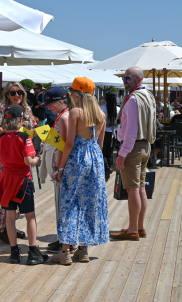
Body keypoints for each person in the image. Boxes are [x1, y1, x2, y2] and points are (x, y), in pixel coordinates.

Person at [51, 77, 108, 264]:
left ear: (77, 94)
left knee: (70, 202)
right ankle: (83, 251)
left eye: (72, 92)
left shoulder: (76, 112)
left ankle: (65, 252)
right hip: (95, 159)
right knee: (89, 204)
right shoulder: (100, 114)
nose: (71, 95)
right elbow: (100, 144)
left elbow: (69, 143)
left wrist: (60, 168)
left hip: (77, 158)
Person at [0, 104, 47, 265]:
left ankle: (14, 253)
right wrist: (38, 159)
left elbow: (0, 157)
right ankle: (32, 252)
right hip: (22, 180)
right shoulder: (25, 138)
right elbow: (28, 161)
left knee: (10, 217)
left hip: (6, 179)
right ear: (20, 120)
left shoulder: (1, 138)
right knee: (30, 216)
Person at [111, 67, 156, 240]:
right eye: (123, 78)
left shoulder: (132, 100)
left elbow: (130, 131)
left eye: (127, 78)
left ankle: (132, 230)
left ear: (138, 80)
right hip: (145, 145)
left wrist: (122, 153)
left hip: (133, 147)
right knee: (141, 187)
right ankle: (140, 227)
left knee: (133, 190)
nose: (124, 81)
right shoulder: (149, 95)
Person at [0, 81, 38, 242]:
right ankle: (4, 226)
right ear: (7, 94)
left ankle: (5, 226)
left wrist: (26, 135)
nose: (17, 95)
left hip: (24, 154)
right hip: (9, 155)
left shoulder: (27, 109)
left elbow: (32, 129)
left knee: (20, 192)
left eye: (19, 92)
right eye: (13, 93)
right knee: (9, 193)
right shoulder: (1, 109)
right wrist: (12, 134)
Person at [36, 88, 74, 254]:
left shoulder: (65, 117)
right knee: (59, 204)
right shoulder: (62, 116)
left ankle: (66, 241)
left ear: (59, 102)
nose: (48, 108)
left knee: (63, 204)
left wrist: (60, 168)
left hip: (61, 168)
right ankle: (62, 239)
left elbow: (64, 145)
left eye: (50, 104)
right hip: (58, 166)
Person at [100, 91, 120, 169]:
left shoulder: (102, 108)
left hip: (104, 132)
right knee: (110, 152)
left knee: (103, 152)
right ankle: (109, 167)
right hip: (115, 132)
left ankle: (105, 168)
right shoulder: (118, 109)